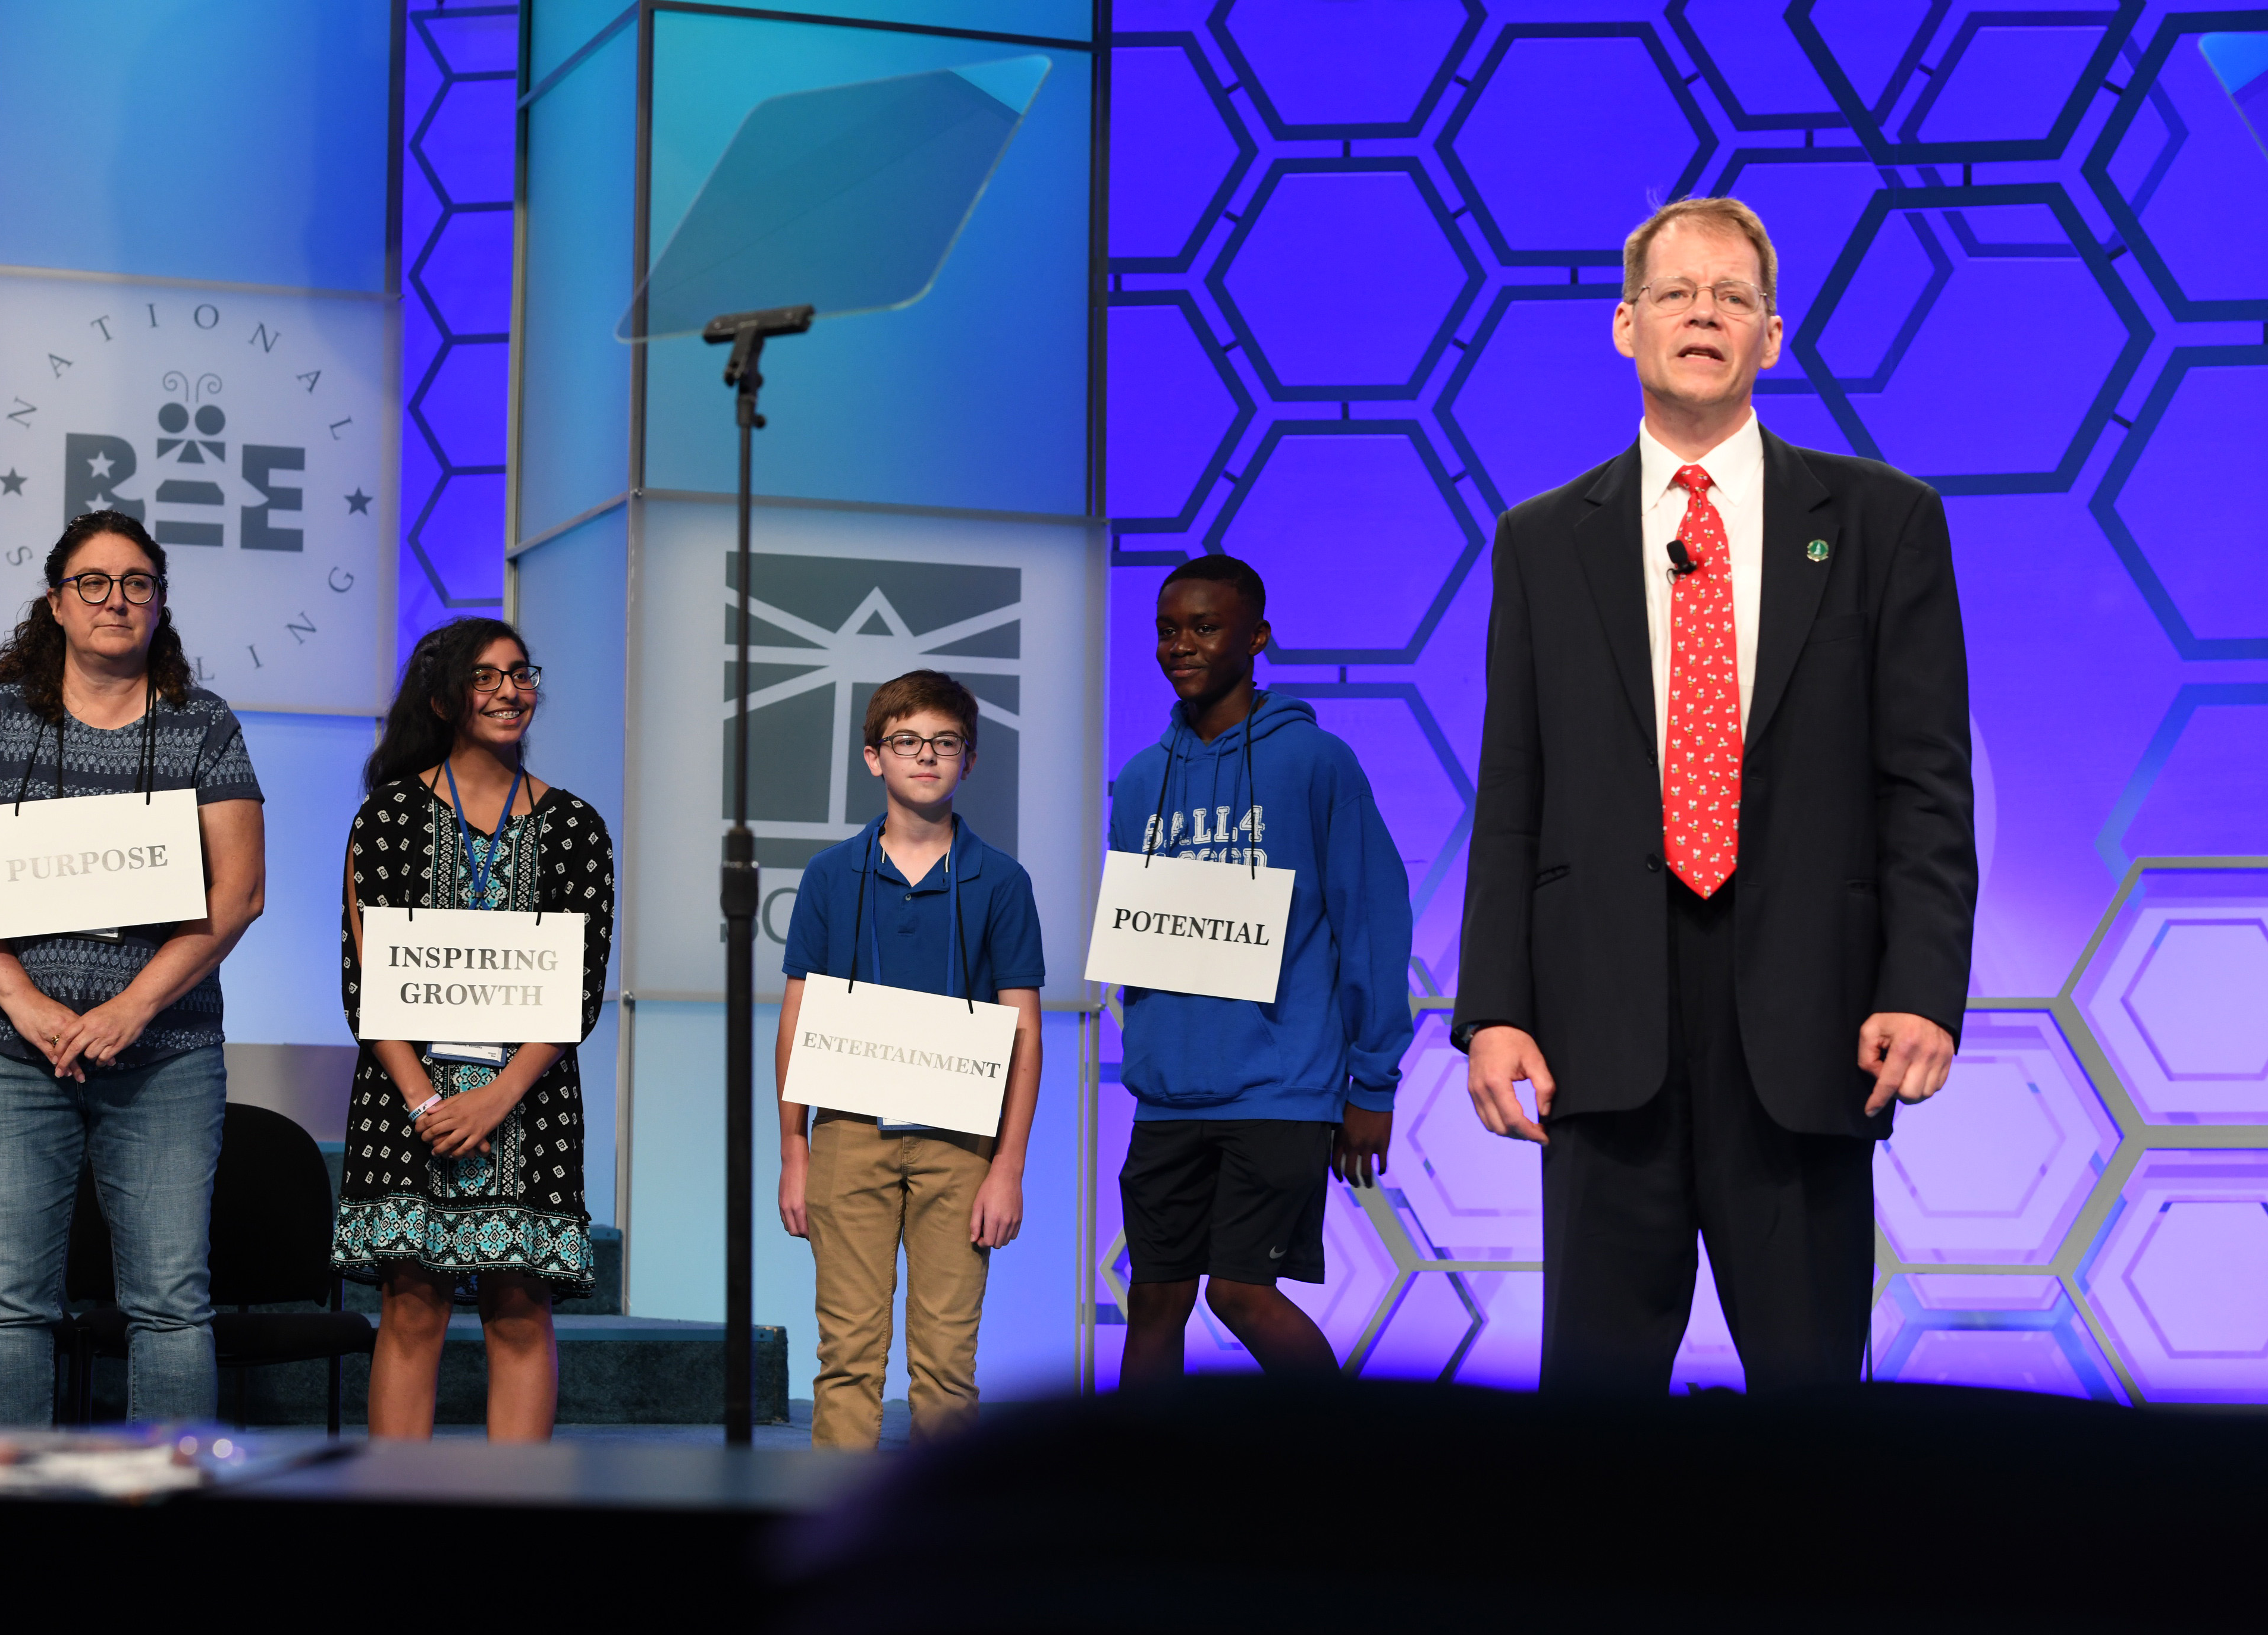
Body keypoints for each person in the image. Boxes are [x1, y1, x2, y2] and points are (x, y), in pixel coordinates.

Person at [1452, 197, 1976, 1393]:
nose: (1705, 315)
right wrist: (1494, 1009)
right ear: (1626, 326)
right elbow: (1514, 791)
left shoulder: (1883, 522)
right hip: (1601, 1031)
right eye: (1679, 294)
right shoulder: (1542, 541)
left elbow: (1926, 781)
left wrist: (1921, 984)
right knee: (1592, 1423)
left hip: (1810, 1025)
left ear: (1771, 338)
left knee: (1813, 1415)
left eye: (1733, 297)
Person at [0, 508, 267, 1425]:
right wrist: (25, 1003)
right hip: (7, 1053)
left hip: (164, 1056)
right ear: (58, 603)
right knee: (6, 1303)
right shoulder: (3, 717)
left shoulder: (203, 724)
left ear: (159, 603)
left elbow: (238, 894)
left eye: (137, 584)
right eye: (94, 583)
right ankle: (9, 1503)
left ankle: (166, 1498)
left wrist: (133, 1008)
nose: (117, 600)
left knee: (171, 1306)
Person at [1110, 556, 1413, 1387]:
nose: (1181, 645)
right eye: (1168, 630)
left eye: (1205, 627)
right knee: (1156, 1300)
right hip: (1169, 1094)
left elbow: (1371, 923)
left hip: (1278, 1089)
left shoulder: (1316, 763)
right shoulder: (1139, 782)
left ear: (1257, 638)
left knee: (1241, 1294)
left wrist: (1372, 1086)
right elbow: (1138, 937)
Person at [332, 617, 615, 1442]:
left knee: (520, 1308)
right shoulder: (388, 817)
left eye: (520, 674)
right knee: (411, 1307)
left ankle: (513, 1504)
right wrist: (427, 1103)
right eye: (485, 677)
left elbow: (578, 989)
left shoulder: (575, 826)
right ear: (445, 699)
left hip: (529, 1103)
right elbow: (368, 983)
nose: (508, 691)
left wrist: (499, 1096)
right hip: (404, 1101)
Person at [774, 670, 1044, 1449]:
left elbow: (1023, 1032)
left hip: (961, 1143)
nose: (926, 756)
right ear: (874, 757)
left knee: (948, 1365)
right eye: (906, 741)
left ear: (970, 759)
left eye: (944, 743)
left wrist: (1008, 1166)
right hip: (849, 1133)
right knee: (847, 1357)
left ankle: (942, 1523)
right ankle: (837, 1515)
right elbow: (798, 1017)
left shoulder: (1001, 880)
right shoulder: (831, 875)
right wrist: (794, 1149)